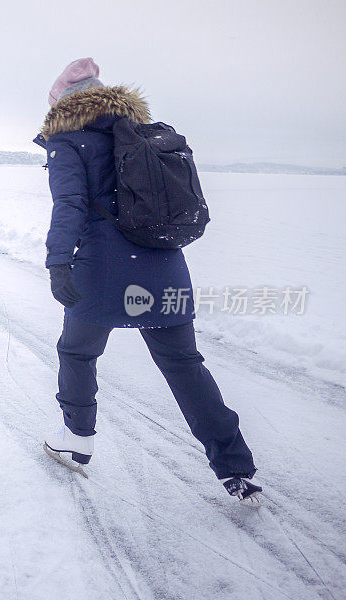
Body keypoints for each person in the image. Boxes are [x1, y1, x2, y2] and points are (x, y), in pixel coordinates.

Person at [37, 58, 261, 503]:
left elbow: (69, 206)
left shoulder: (67, 141)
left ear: (64, 104)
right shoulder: (145, 134)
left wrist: (58, 261)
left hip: (101, 272)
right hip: (165, 267)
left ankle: (77, 441)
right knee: (184, 365)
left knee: (77, 351)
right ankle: (234, 468)